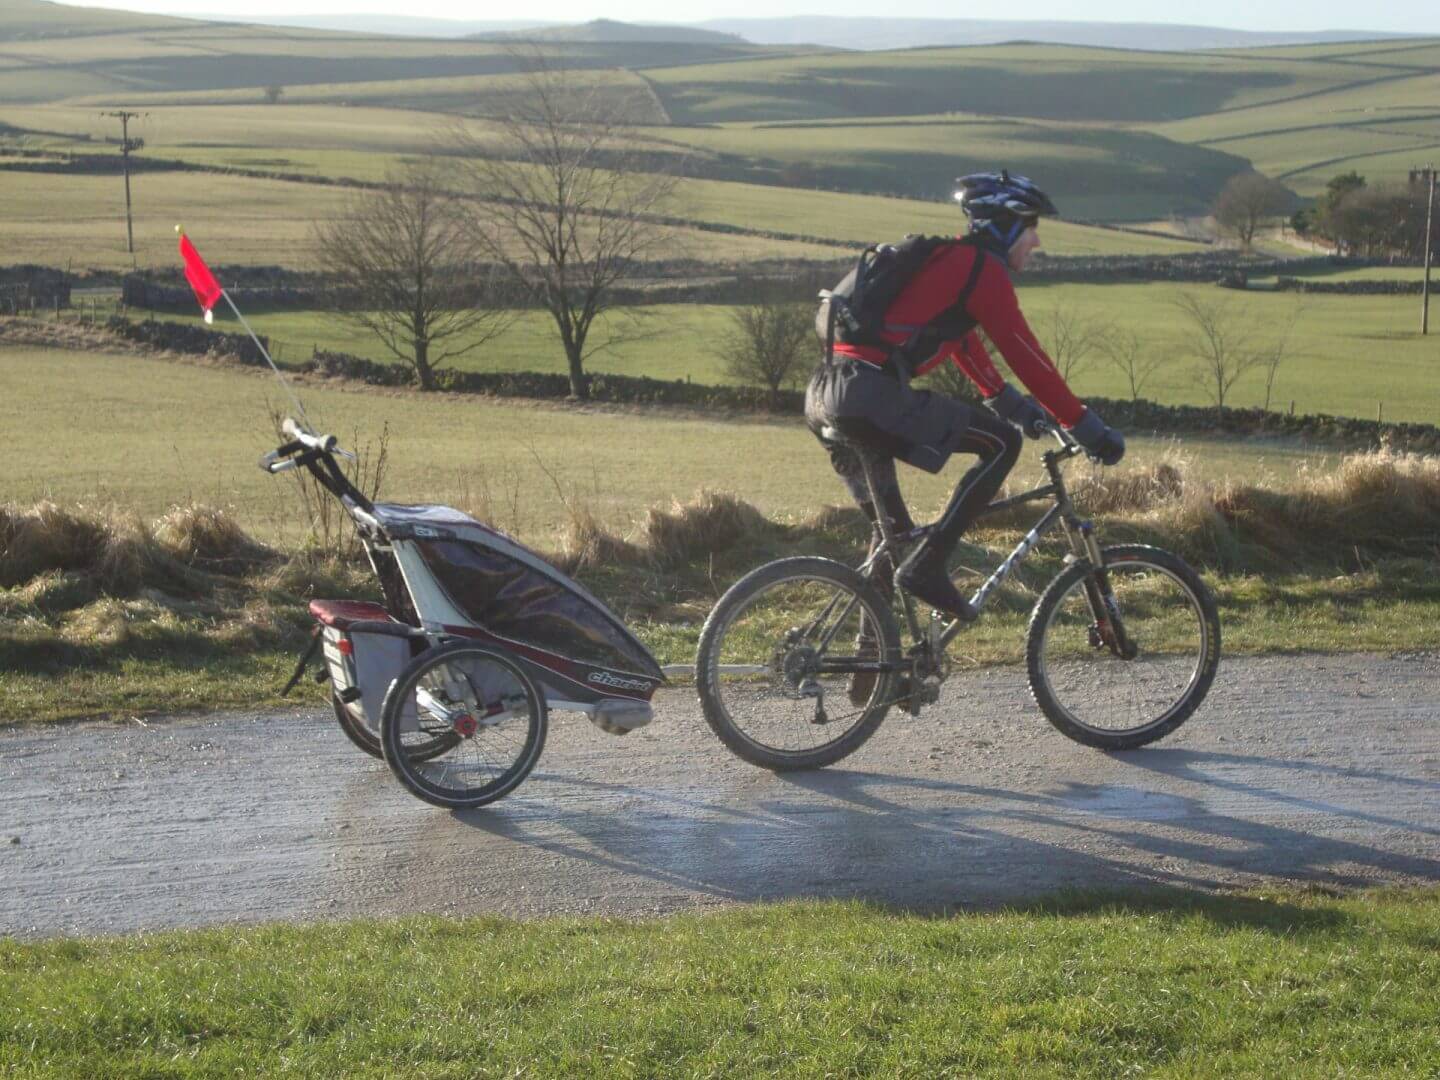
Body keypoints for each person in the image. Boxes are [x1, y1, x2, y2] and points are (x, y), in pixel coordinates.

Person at [804, 171, 1126, 699]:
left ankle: (870, 674)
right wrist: (1085, 426)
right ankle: (930, 566)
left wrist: (1011, 404)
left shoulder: (952, 264)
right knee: (1002, 445)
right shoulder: (982, 270)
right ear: (1005, 227)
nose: (1036, 240)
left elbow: (960, 341)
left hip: (828, 396)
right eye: (1030, 227)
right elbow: (1025, 352)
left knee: (893, 538)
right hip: (868, 394)